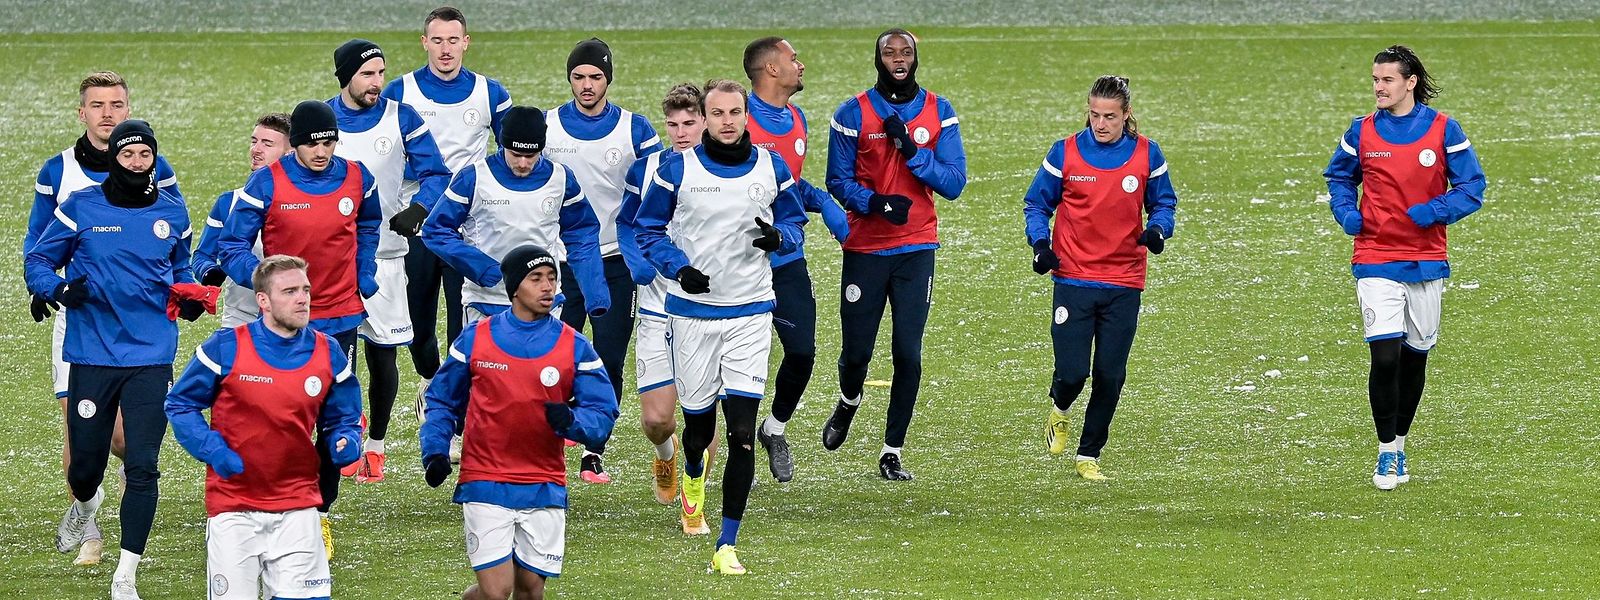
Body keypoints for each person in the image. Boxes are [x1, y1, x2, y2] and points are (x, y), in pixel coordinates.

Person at [636, 79, 807, 574]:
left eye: (736, 112)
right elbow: (648, 229)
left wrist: (780, 237)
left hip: (751, 312)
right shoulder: (677, 169)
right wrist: (677, 267)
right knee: (698, 430)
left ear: (746, 114)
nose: (728, 121)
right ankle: (692, 477)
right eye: (718, 113)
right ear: (705, 118)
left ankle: (727, 545)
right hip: (692, 315)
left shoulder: (772, 167)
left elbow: (794, 221)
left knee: (741, 433)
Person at [25, 120, 200, 600]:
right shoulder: (80, 208)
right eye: (129, 156)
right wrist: (54, 288)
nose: (138, 164)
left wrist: (186, 296)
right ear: (113, 160)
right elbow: (38, 260)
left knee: (143, 465)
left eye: (145, 155)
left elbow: (181, 266)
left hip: (151, 355)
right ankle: (85, 505)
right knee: (86, 467)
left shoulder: (172, 212)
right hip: (92, 353)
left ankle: (126, 574)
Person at [218, 99, 381, 558]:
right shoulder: (267, 182)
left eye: (329, 141)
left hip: (340, 319)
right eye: (312, 143)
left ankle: (319, 517)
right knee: (276, 418)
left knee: (333, 420)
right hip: (283, 325)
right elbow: (230, 246)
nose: (322, 151)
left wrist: (363, 272)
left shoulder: (357, 177)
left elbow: (369, 224)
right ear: (295, 146)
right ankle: (261, 510)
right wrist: (266, 281)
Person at [1323, 45, 1485, 490]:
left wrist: (1435, 210)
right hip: (1375, 257)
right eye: (1375, 79)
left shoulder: (1443, 129)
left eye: (1387, 79)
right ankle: (1385, 453)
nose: (1379, 87)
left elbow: (1473, 185)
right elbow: (1338, 177)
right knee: (1385, 354)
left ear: (1409, 82)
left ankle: (1401, 438)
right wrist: (1347, 213)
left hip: (1426, 260)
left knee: (1415, 359)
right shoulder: (1361, 132)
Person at [419, 245, 618, 600]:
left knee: (529, 589)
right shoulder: (477, 337)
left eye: (552, 278)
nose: (547, 287)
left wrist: (572, 422)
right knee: (497, 592)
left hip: (543, 482)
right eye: (536, 278)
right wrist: (434, 450)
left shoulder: (574, 345)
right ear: (514, 288)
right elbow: (441, 399)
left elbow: (603, 413)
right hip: (485, 479)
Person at [165, 255, 363, 600]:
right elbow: (180, 405)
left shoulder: (327, 352)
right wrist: (213, 450)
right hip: (234, 508)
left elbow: (342, 417)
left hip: (299, 506)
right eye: (289, 291)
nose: (302, 298)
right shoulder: (226, 348)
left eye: (305, 289)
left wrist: (346, 438)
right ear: (263, 301)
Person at [821, 28, 967, 480]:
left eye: (905, 52)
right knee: (856, 355)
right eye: (890, 52)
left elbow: (954, 183)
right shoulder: (852, 113)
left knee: (908, 352)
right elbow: (836, 180)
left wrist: (912, 151)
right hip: (865, 248)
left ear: (916, 58)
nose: (898, 58)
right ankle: (848, 401)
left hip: (916, 247)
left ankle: (891, 451)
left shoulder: (939, 111)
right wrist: (876, 203)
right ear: (878, 59)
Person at [1021, 75, 1178, 481]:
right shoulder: (1065, 153)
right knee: (1073, 373)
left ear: (1126, 115)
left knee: (1110, 374)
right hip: (1073, 279)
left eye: (1110, 116)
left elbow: (1164, 203)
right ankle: (1059, 408)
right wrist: (1040, 244)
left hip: (1123, 281)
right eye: (1094, 115)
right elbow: (1036, 204)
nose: (1101, 124)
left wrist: (1158, 229)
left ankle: (1088, 454)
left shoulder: (1147, 154)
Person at [328, 38, 452, 485]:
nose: (377, 82)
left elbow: (437, 172)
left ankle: (376, 446)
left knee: (383, 357)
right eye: (367, 74)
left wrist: (419, 208)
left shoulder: (401, 117)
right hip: (330, 263)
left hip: (384, 257)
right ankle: (344, 434)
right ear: (345, 77)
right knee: (336, 359)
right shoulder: (323, 120)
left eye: (381, 73)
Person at [543, 37, 664, 483]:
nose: (587, 85)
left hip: (613, 262)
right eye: (579, 77)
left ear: (608, 79)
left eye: (595, 77)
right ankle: (553, 441)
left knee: (608, 359)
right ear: (569, 79)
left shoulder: (634, 128)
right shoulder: (548, 125)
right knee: (554, 359)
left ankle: (595, 449)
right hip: (557, 264)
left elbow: (659, 185)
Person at [382, 5, 513, 413]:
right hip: (415, 225)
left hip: (466, 229)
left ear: (466, 43)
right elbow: (382, 151)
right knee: (420, 331)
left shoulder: (490, 93)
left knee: (462, 322)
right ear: (424, 43)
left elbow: (514, 151)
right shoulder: (399, 92)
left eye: (453, 40)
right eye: (437, 40)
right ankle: (430, 380)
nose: (445, 49)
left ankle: (452, 406)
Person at [742, 36, 851, 483]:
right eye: (792, 59)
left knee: (802, 353)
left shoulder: (796, 118)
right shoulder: (738, 120)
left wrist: (822, 203)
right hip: (740, 264)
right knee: (733, 365)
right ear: (770, 70)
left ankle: (775, 429)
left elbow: (789, 185)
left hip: (786, 257)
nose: (800, 65)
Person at [615, 82, 720, 530]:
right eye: (673, 124)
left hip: (713, 310)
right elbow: (627, 223)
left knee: (703, 412)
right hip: (659, 305)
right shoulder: (647, 169)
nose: (680, 132)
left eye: (689, 123)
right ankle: (666, 458)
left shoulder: (728, 168)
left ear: (705, 121)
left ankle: (693, 500)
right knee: (657, 420)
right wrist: (639, 263)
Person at [421, 106, 608, 325]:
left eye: (530, 156)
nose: (523, 163)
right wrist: (481, 267)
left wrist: (595, 292)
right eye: (516, 154)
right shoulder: (474, 177)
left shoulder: (561, 178)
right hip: (487, 302)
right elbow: (435, 230)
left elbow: (582, 233)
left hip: (544, 302)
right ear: (503, 145)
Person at [192, 113, 294, 329]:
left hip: (292, 318)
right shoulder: (228, 202)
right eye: (254, 141)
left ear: (290, 153)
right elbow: (202, 255)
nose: (256, 150)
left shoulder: (306, 202)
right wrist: (210, 273)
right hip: (239, 321)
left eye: (267, 144)